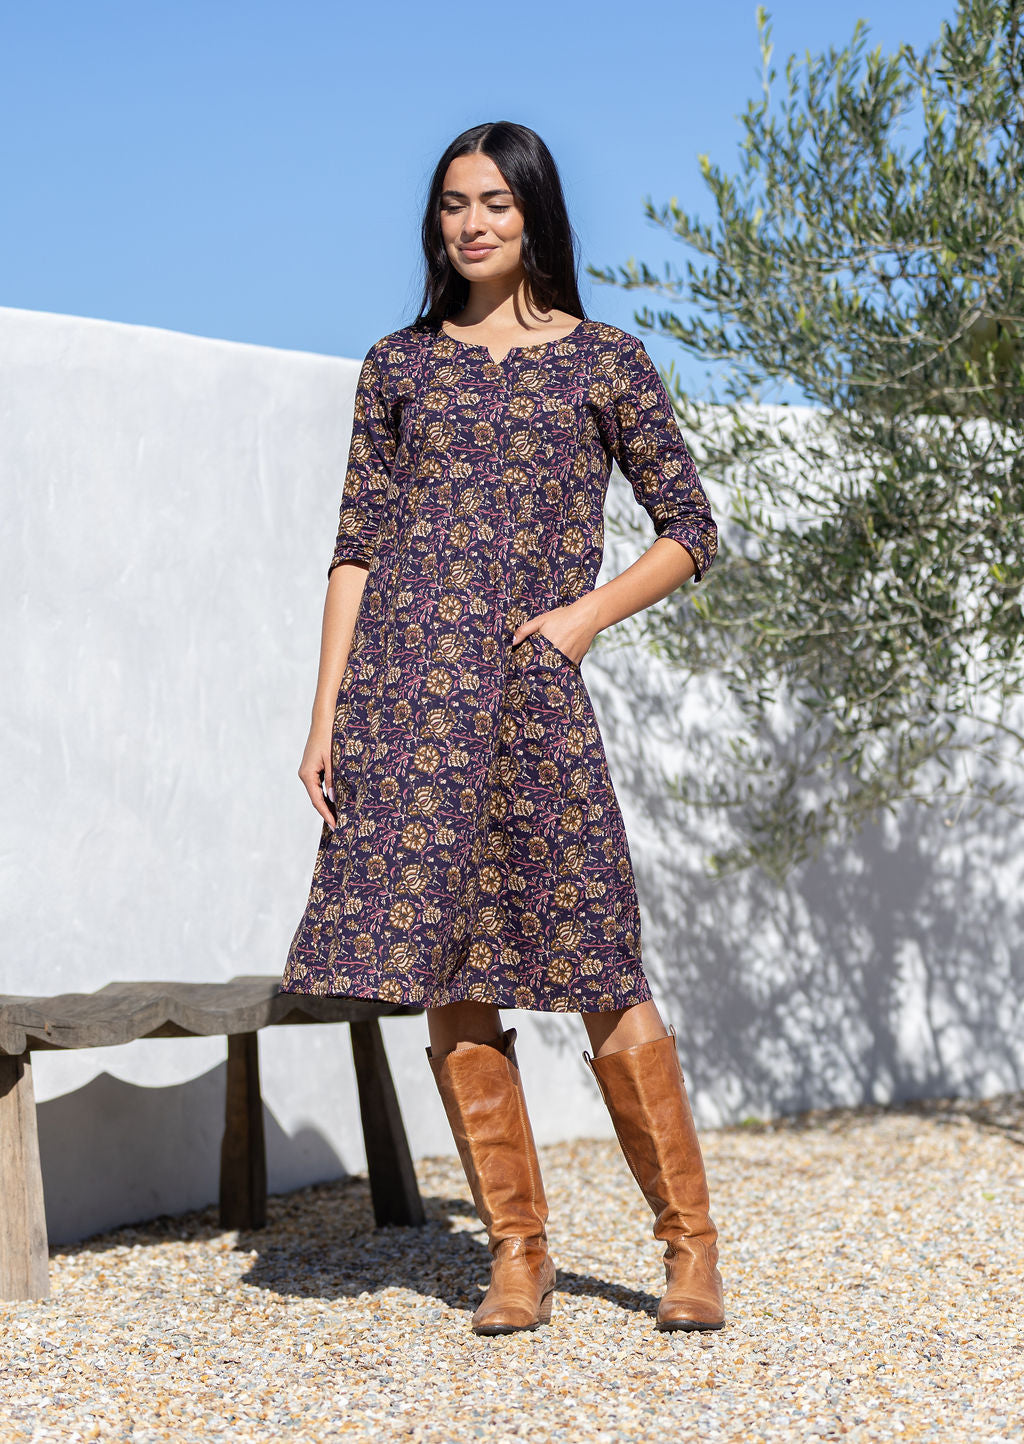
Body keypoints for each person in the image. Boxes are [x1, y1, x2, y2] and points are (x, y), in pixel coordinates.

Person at [279, 120, 725, 1338]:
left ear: (534, 215)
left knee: (598, 963)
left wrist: (582, 618)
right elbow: (357, 547)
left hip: (528, 698)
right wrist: (325, 717)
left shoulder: (605, 360)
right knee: (454, 974)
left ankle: (688, 1248)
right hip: (404, 700)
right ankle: (517, 1254)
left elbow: (690, 525)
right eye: (452, 205)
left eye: (494, 202)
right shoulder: (399, 366)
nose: (470, 223)